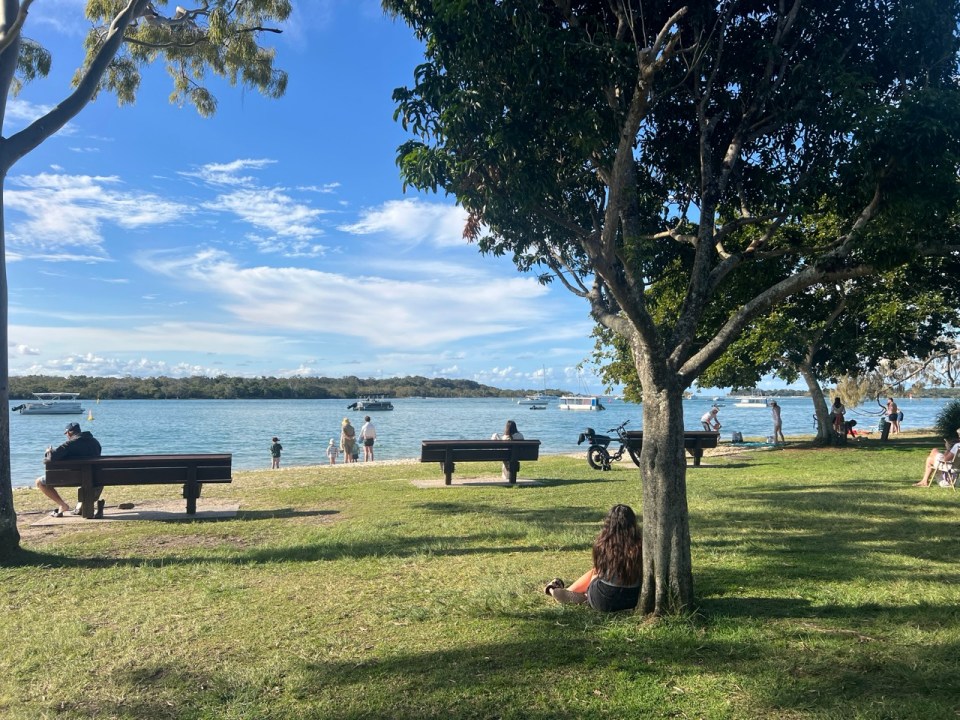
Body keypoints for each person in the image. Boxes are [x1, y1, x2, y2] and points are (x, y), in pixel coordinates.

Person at [543, 504, 643, 612]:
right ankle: (577, 595)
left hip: (602, 599)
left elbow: (598, 571)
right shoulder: (640, 546)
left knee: (595, 572)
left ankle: (571, 593)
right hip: (632, 599)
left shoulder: (603, 545)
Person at [35, 422, 103, 517]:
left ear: (70, 432)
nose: (66, 436)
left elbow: (52, 458)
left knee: (39, 482)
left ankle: (62, 505)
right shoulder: (95, 442)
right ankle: (82, 506)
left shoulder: (70, 444)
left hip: (72, 478)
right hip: (96, 477)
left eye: (66, 433)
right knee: (88, 478)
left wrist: (48, 452)